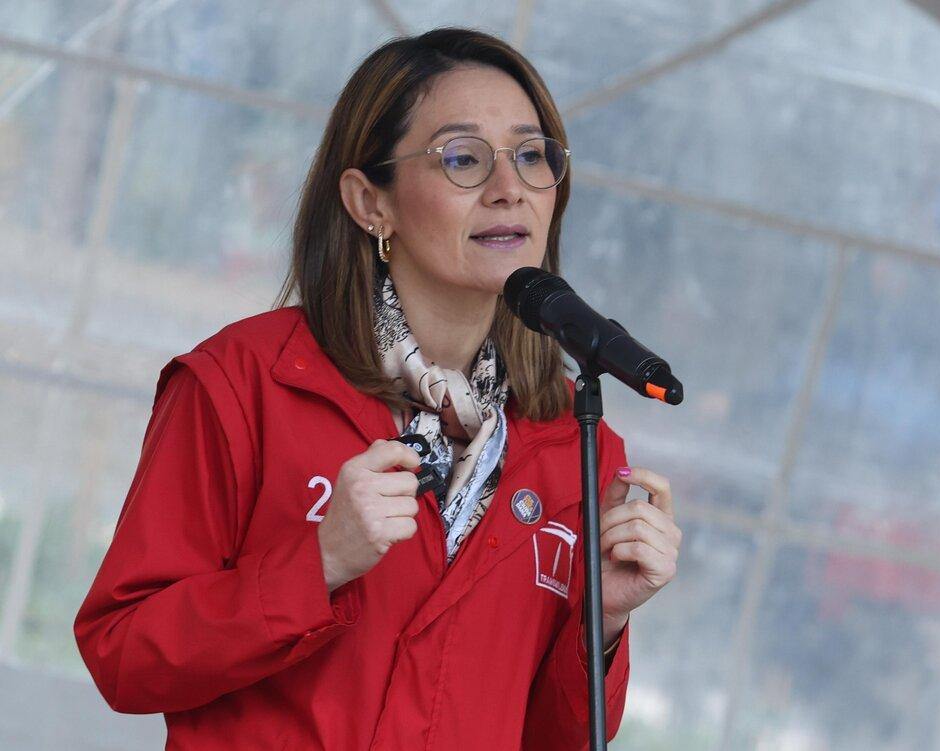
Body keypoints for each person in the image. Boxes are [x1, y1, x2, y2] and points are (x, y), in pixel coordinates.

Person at [73, 27, 682, 750]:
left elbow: (556, 737)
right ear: (371, 203)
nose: (508, 188)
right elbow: (123, 655)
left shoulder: (577, 447)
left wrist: (603, 624)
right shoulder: (243, 383)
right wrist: (316, 565)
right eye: (463, 158)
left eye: (530, 155)